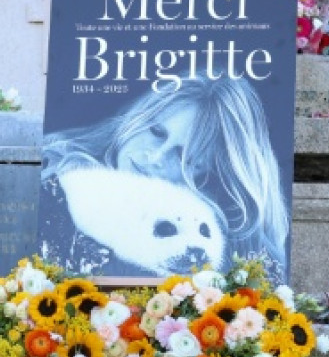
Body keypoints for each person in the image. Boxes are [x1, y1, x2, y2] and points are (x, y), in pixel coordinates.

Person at [41, 75, 288, 279]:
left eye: (183, 156)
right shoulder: (54, 176)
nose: (156, 156)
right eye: (157, 132)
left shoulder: (208, 239)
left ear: (205, 174)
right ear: (139, 116)